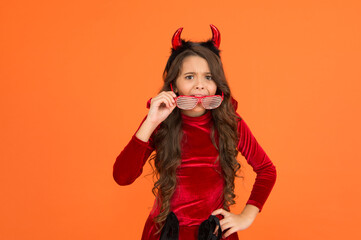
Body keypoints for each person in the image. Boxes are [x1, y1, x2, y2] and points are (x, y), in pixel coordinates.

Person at [113, 24, 277, 240]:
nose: (200, 86)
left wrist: (247, 215)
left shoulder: (230, 121)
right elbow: (122, 177)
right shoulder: (158, 121)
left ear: (217, 84)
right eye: (189, 77)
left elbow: (267, 169)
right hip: (166, 233)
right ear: (174, 85)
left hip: (214, 232)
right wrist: (151, 121)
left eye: (208, 77)